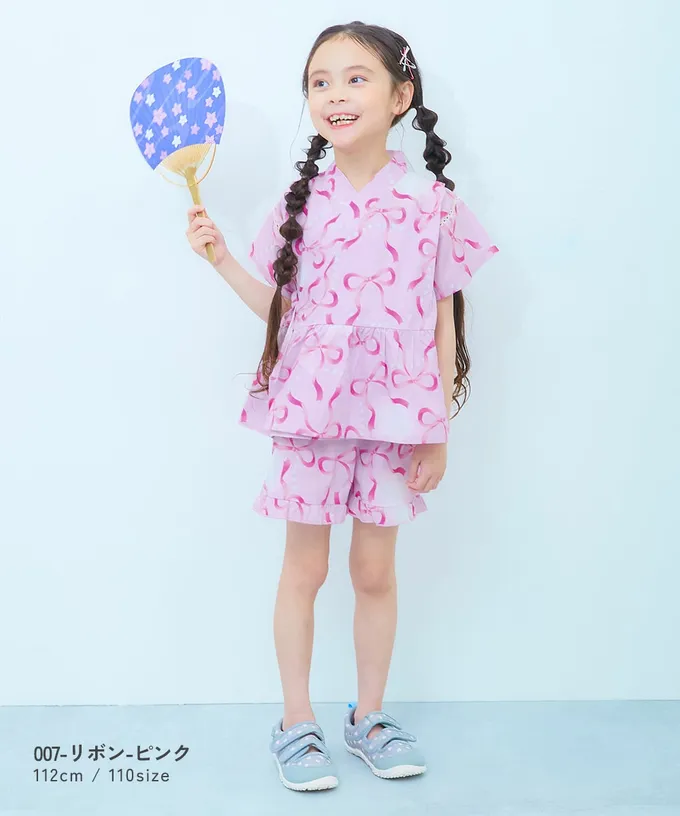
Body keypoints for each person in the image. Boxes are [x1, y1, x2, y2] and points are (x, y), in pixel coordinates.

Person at [186, 21, 499, 793]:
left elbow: (444, 324)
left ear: (401, 96)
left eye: (356, 78)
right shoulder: (302, 204)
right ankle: (296, 722)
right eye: (319, 81)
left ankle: (370, 717)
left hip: (396, 420)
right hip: (311, 416)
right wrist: (220, 258)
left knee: (374, 571)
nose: (334, 94)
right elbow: (280, 312)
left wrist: (437, 432)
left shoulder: (432, 205)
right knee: (305, 568)